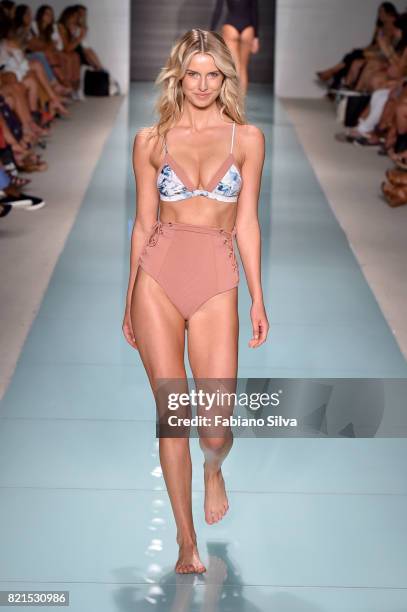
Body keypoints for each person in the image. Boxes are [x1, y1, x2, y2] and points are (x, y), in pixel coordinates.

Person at [122, 28, 269, 574]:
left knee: (215, 427)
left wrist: (257, 297)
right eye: (194, 74)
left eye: (214, 74)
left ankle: (214, 468)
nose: (203, 85)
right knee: (172, 416)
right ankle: (186, 541)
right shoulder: (150, 139)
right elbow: (143, 225)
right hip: (157, 277)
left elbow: (248, 222)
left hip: (215, 277)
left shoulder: (246, 139)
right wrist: (127, 298)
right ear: (178, 77)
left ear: (224, 78)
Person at [210, 0, 259, 94]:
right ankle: (241, 103)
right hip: (248, 28)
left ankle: (232, 102)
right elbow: (254, 11)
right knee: (243, 68)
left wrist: (211, 31)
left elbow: (218, 9)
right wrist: (256, 37)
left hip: (231, 26)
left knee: (234, 67)